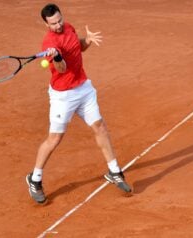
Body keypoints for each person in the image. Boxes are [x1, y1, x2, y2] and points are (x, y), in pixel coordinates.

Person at [26, 3, 131, 204]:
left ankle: (115, 171)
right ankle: (35, 178)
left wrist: (88, 40)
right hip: (63, 96)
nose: (58, 25)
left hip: (83, 88)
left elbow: (79, 47)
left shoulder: (69, 27)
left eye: (59, 20)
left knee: (100, 127)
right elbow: (62, 69)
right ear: (46, 25)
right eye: (53, 24)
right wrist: (56, 55)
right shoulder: (49, 42)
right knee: (54, 139)